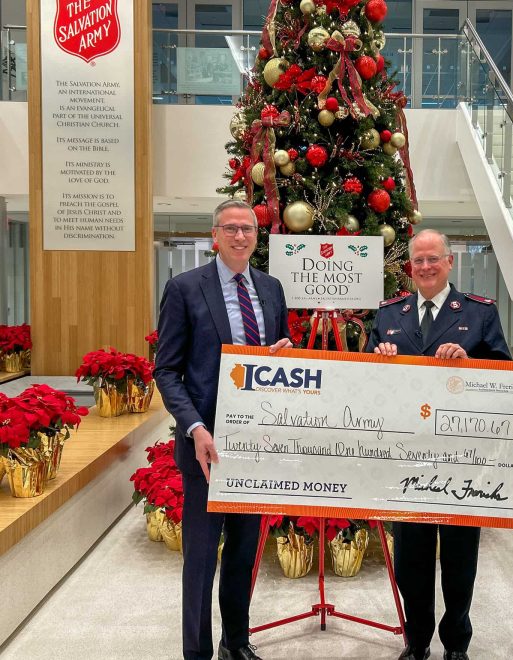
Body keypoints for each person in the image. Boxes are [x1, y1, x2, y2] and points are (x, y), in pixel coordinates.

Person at [155, 199, 292, 660]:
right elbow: (167, 371)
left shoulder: (272, 290)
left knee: (242, 553)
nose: (239, 237)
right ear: (215, 235)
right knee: (199, 560)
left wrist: (283, 355)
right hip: (205, 449)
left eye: (247, 229)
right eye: (230, 228)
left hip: (256, 447)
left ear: (257, 236)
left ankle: (236, 643)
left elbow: (279, 364)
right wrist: (194, 427)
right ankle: (197, 652)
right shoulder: (184, 288)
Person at [366, 229, 512, 660]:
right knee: (411, 557)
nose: (425, 267)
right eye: (418, 261)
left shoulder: (479, 313)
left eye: (433, 259)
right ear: (409, 267)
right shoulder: (389, 313)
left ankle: (456, 643)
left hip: (460, 457)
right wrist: (378, 360)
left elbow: (505, 376)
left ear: (450, 263)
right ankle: (416, 641)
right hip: (405, 455)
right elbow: (367, 381)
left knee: (459, 557)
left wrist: (471, 364)